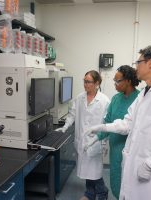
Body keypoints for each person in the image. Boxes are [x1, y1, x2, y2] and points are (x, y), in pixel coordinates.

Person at [86, 46, 151, 200]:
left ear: (150, 63)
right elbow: (127, 123)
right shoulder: (143, 94)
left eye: (138, 62)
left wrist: (150, 162)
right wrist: (103, 127)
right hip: (138, 164)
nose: (136, 66)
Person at [85, 65, 140, 199]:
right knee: (116, 182)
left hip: (132, 151)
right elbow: (108, 122)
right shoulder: (115, 99)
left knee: (130, 187)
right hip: (115, 150)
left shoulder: (140, 99)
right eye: (114, 81)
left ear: (128, 81)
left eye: (117, 81)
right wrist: (97, 138)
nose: (114, 84)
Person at [56, 70, 110, 200]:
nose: (85, 84)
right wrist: (65, 127)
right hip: (82, 140)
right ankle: (89, 194)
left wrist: (103, 142)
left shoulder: (104, 101)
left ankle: (102, 192)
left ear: (97, 83)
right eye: (84, 81)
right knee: (86, 170)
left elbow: (107, 123)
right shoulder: (80, 97)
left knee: (94, 172)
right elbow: (72, 114)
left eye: (88, 82)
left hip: (95, 141)